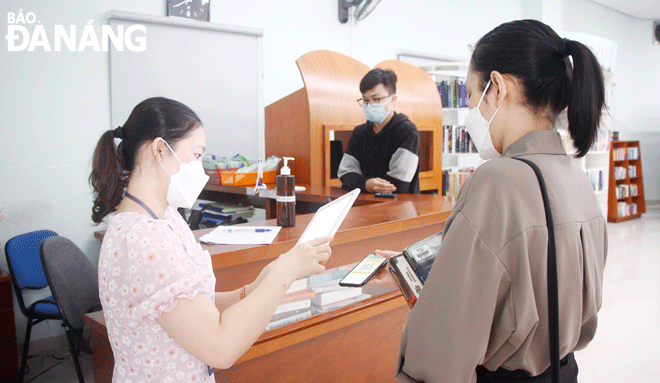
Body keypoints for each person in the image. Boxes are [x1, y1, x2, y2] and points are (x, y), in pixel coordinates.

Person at [371, 19, 607, 382]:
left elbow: (441, 352)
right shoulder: (576, 178)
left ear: (497, 87)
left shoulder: (498, 181)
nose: (469, 110)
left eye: (470, 95)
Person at [89, 97, 332, 382]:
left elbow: (192, 306)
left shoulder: (164, 217)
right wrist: (285, 272)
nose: (200, 169)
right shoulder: (143, 239)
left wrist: (253, 288)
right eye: (196, 155)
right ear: (159, 149)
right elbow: (221, 347)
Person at [338, 68, 421, 194]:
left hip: (399, 206)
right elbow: (345, 173)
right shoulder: (359, 133)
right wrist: (366, 184)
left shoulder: (407, 132)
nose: (370, 104)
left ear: (393, 99)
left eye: (376, 99)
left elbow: (397, 184)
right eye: (365, 100)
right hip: (364, 204)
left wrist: (360, 183)